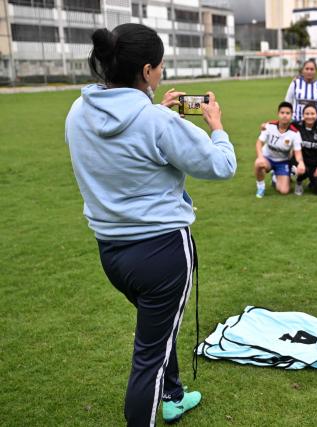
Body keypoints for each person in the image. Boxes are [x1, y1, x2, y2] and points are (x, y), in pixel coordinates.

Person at [65, 24, 237, 426]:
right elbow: (222, 166)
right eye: (159, 68)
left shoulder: (79, 111)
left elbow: (128, 136)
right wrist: (216, 126)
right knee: (149, 359)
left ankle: (173, 395)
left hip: (111, 251)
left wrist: (156, 108)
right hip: (161, 252)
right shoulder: (156, 121)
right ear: (146, 70)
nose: (160, 75)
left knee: (157, 334)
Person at [254, 101, 305, 198]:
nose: (285, 116)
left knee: (284, 191)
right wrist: (260, 157)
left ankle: (275, 176)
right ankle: (261, 187)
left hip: (282, 162)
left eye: (287, 113)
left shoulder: (295, 133)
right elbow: (259, 143)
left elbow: (297, 153)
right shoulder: (269, 126)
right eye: (282, 113)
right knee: (258, 163)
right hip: (267, 158)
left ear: (291, 115)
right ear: (278, 114)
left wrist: (301, 163)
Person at [293, 104, 317, 196]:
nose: (310, 116)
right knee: (301, 170)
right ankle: (299, 181)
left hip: (315, 165)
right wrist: (267, 124)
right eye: (307, 114)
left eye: (312, 114)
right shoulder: (296, 125)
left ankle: (313, 182)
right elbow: (282, 123)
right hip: (299, 163)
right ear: (303, 115)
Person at [285, 59, 317, 124]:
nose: (309, 71)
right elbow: (288, 101)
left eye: (312, 69)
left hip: (316, 121)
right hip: (298, 120)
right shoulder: (295, 83)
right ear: (302, 70)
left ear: (316, 71)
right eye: (307, 69)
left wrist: (316, 111)